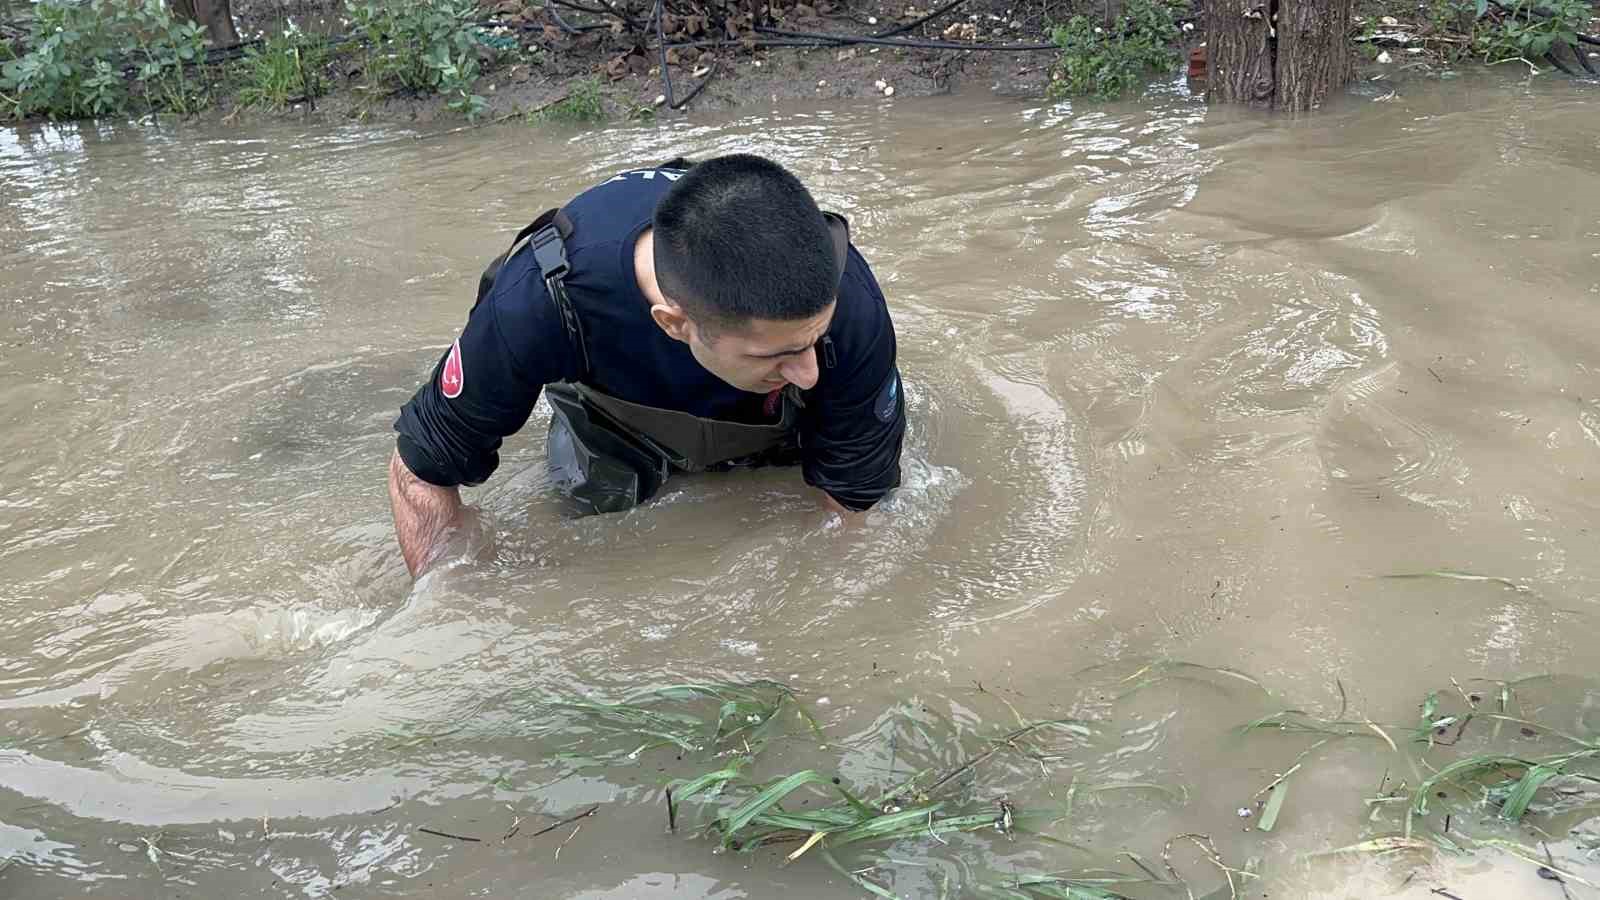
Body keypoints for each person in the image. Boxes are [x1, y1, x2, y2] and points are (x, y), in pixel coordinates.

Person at [387, 154, 906, 577]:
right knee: (592, 516)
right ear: (673, 323)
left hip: (778, 422)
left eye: (813, 341)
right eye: (778, 353)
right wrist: (449, 624)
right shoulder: (539, 303)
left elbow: (856, 511)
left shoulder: (848, 305)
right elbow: (419, 473)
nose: (809, 369)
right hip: (617, 416)